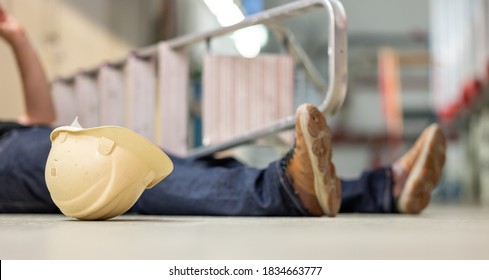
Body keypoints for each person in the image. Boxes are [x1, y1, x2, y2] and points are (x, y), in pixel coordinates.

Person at [0, 6, 446, 217]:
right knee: (130, 171)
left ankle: (382, 190)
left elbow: (39, 122)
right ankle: (284, 190)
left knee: (185, 165)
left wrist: (18, 37)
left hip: (18, 142)